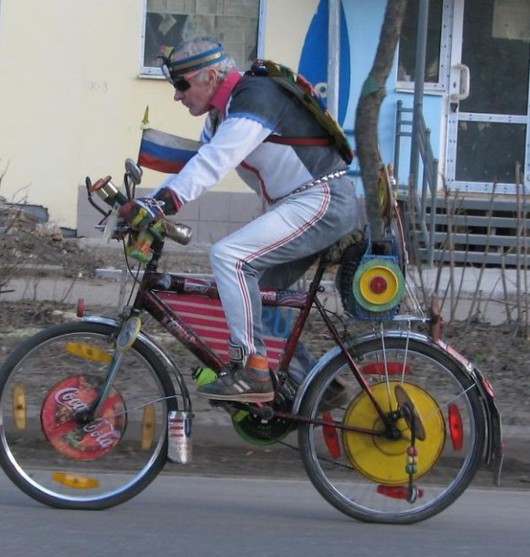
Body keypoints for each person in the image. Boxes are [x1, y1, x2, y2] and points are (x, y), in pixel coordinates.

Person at [120, 36, 365, 403]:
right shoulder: (224, 113)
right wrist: (148, 202)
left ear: (211, 76)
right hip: (305, 203)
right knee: (247, 299)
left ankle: (252, 371)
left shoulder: (254, 97)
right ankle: (317, 388)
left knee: (230, 257)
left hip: (323, 199)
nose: (177, 95)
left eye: (181, 84)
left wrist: (163, 203)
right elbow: (197, 161)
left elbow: (215, 161)